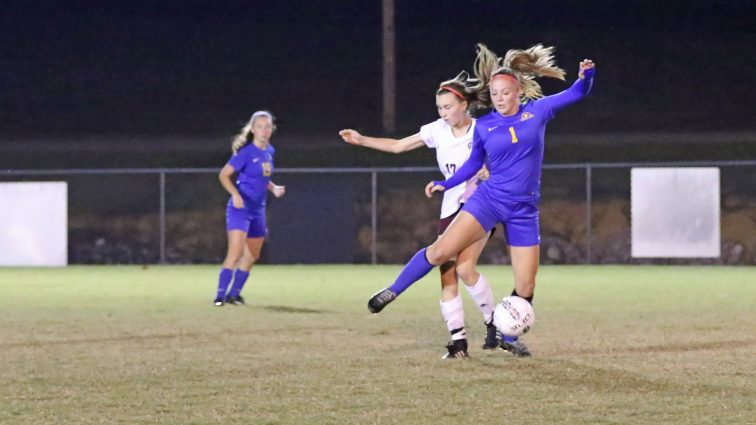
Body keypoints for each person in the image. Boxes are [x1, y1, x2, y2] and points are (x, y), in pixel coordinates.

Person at [367, 44, 596, 357]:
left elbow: (577, 93)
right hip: (488, 202)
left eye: (505, 92)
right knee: (441, 251)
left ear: (517, 91)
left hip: (523, 210)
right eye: (495, 93)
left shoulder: (538, 111)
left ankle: (509, 338)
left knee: (526, 287)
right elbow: (474, 165)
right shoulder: (486, 126)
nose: (500, 98)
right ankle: (393, 291)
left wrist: (587, 76)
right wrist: (445, 183)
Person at [340, 72, 497, 359]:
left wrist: (489, 171)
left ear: (464, 105)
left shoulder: (483, 129)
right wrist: (362, 140)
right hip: (450, 206)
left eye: (448, 107)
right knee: (448, 275)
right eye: (439, 108)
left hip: (480, 205)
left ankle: (492, 325)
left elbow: (500, 160)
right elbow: (399, 145)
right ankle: (460, 343)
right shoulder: (437, 130)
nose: (443, 113)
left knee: (463, 268)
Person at [213, 111, 286, 306]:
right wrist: (235, 195)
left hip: (258, 210)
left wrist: (273, 187)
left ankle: (234, 294)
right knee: (235, 253)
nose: (264, 130)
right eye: (260, 126)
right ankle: (220, 296)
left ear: (272, 130)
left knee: (253, 255)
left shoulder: (269, 151)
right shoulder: (246, 153)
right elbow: (223, 175)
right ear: (253, 129)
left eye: (267, 126)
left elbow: (262, 177)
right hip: (240, 208)